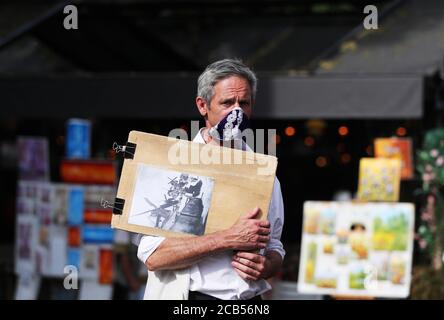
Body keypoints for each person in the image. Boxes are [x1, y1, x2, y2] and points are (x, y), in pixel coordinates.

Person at [135, 59, 285, 300]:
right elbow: (154, 257)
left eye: (244, 103)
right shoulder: (172, 164)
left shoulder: (264, 172)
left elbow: (275, 247)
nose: (237, 112)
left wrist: (266, 266)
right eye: (227, 102)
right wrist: (226, 239)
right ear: (202, 106)